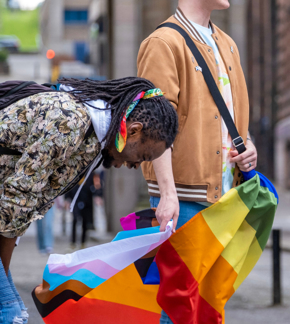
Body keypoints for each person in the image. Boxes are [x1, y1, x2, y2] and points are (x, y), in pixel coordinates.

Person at [136, 0, 257, 324]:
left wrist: (248, 146)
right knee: (178, 305)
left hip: (225, 197)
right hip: (184, 199)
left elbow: (237, 119)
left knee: (210, 305)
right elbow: (154, 129)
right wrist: (167, 195)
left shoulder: (228, 45)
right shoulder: (163, 43)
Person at [0, 77, 179, 324]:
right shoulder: (70, 121)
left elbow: (21, 207)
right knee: (9, 313)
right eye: (143, 155)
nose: (135, 165)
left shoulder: (91, 141)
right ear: (134, 130)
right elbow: (15, 202)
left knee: (13, 312)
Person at [65, 172, 102, 249]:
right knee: (75, 220)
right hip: (75, 200)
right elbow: (68, 185)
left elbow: (97, 184)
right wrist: (67, 199)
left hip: (87, 200)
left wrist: (98, 195)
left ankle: (83, 242)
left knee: (85, 222)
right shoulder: (74, 172)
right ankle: (73, 242)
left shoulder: (91, 173)